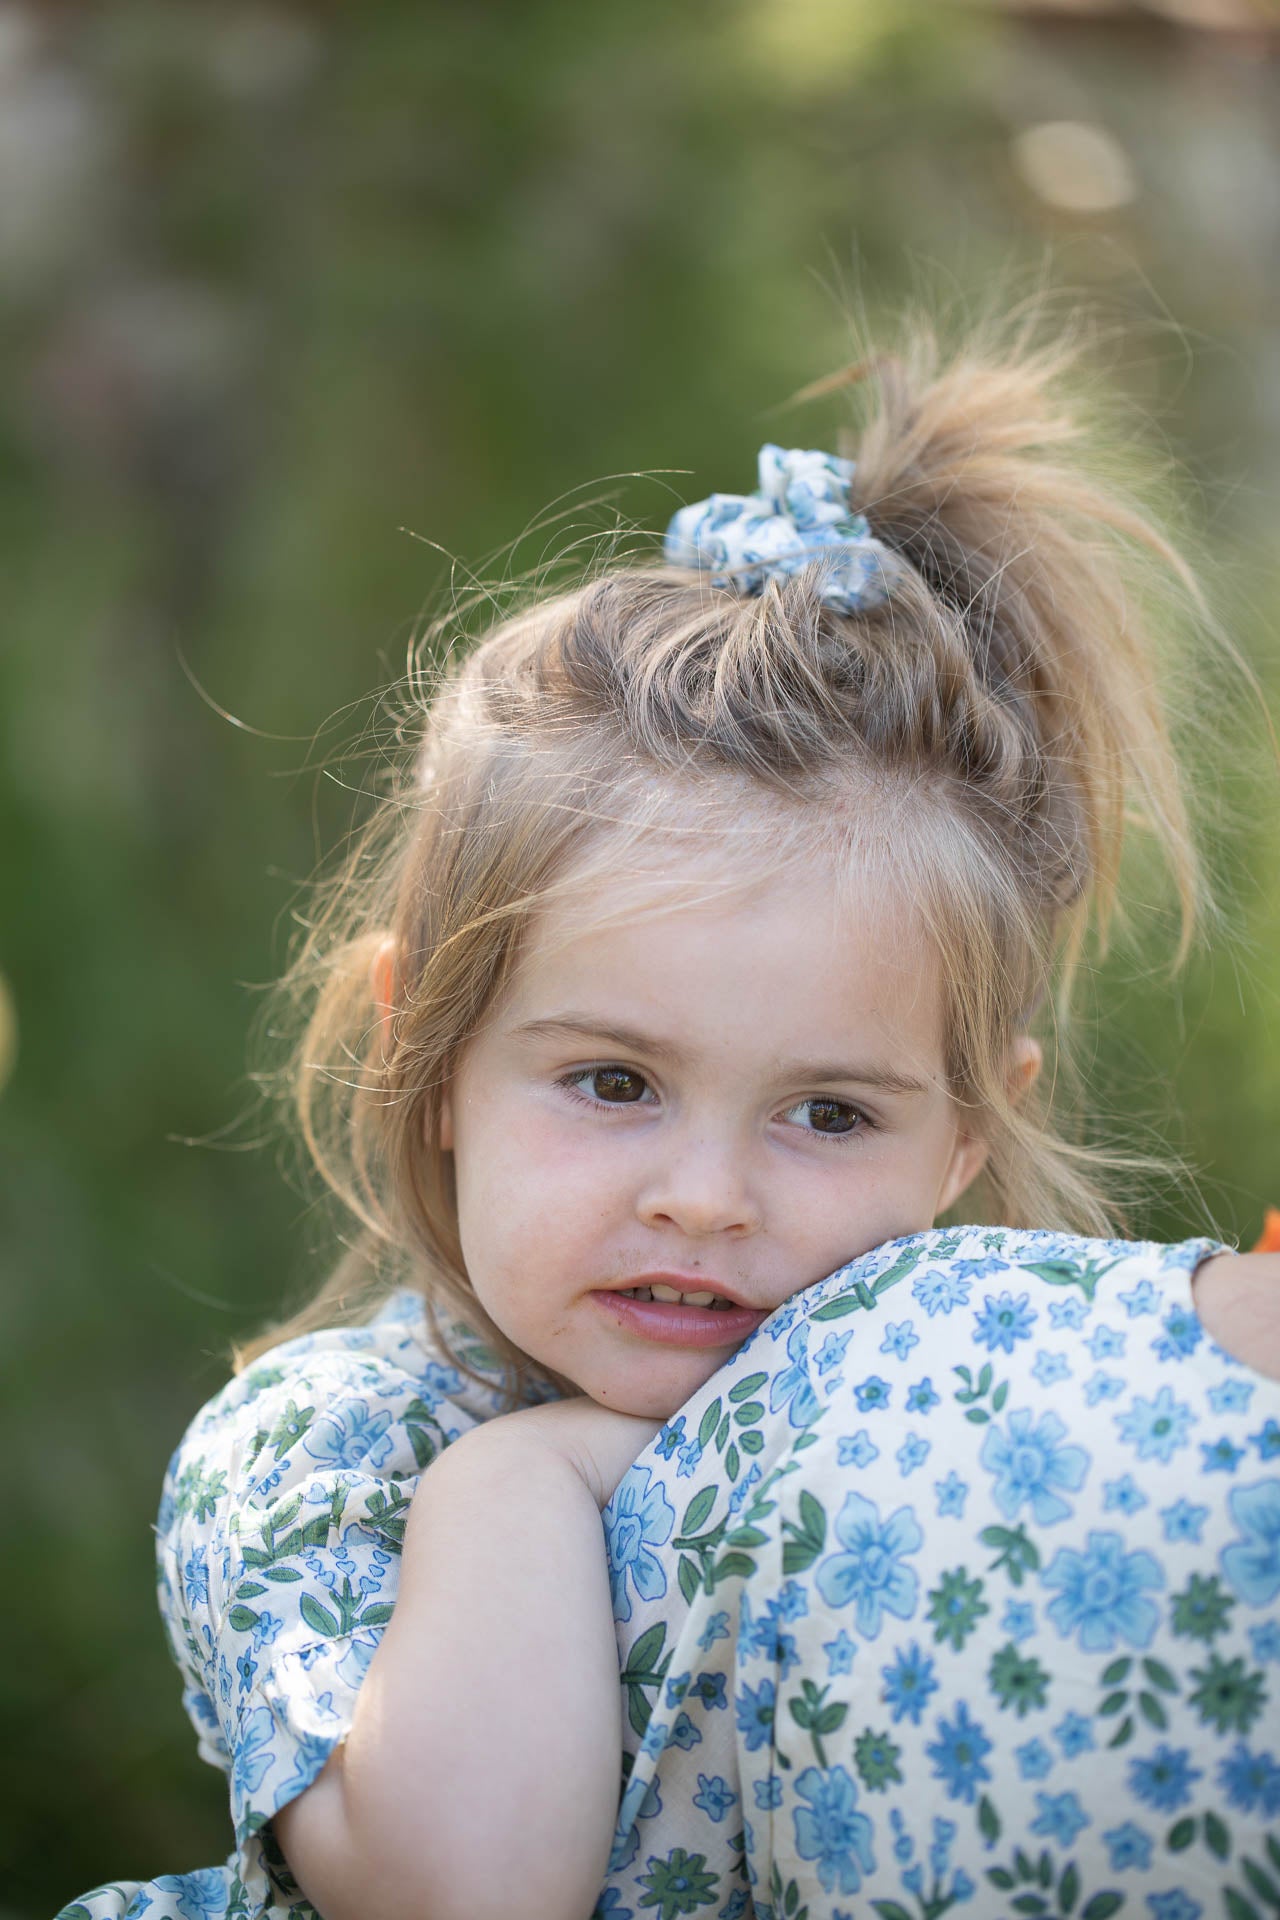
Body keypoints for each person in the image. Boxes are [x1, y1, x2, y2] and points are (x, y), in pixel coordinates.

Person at [61, 317, 1280, 1920]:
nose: (706, 1198)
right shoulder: (338, 1453)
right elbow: (470, 1898)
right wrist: (524, 1486)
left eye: (829, 1113)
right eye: (616, 1083)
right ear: (430, 1048)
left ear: (968, 1139)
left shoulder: (943, 1411)